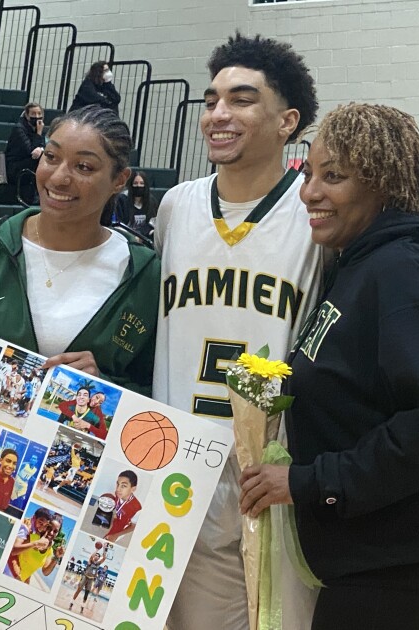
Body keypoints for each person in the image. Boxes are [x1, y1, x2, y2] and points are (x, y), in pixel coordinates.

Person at [239, 103, 419, 630]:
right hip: (373, 553)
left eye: (333, 177)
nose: (309, 192)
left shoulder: (402, 269)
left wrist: (311, 482)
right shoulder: (354, 263)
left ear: (382, 185)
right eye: (308, 173)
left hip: (413, 563)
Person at [153, 33, 321, 630]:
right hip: (175, 467)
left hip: (271, 473)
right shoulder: (176, 207)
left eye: (242, 100)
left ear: (287, 122)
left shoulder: (315, 215)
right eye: (211, 101)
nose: (218, 114)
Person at [0, 105, 159, 395]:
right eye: (51, 157)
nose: (59, 177)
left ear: (119, 180)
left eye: (84, 167)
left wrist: (104, 386)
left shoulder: (146, 273)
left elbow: (157, 391)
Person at [6, 508, 64, 586]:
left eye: (55, 531)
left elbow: (45, 572)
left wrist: (57, 557)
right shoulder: (31, 537)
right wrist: (17, 576)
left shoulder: (49, 550)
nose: (51, 532)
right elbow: (12, 553)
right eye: (49, 528)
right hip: (9, 575)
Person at [5, 102, 45, 205]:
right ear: (27, 116)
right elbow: (30, 151)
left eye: (39, 113)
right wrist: (38, 135)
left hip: (29, 164)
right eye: (33, 114)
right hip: (15, 167)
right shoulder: (19, 129)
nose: (37, 117)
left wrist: (41, 148)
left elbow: (43, 147)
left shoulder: (38, 128)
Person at [113, 170, 158, 237]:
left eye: (141, 183)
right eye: (135, 183)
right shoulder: (122, 200)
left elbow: (152, 222)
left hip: (145, 237)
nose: (138, 186)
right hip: (127, 236)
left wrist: (142, 234)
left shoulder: (151, 201)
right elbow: (120, 223)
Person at [104, 470, 141, 543]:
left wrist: (116, 535)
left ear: (133, 489)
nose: (118, 489)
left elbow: (133, 526)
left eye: (123, 486)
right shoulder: (118, 494)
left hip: (122, 528)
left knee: (106, 542)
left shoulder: (137, 508)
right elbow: (118, 504)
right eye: (118, 484)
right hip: (116, 521)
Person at [69, 547, 106, 612]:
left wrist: (104, 549)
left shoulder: (98, 564)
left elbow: (104, 558)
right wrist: (97, 550)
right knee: (78, 590)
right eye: (96, 555)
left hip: (90, 580)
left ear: (99, 558)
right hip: (85, 577)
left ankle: (82, 607)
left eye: (98, 556)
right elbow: (91, 556)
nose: (97, 556)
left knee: (86, 594)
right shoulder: (90, 561)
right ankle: (72, 603)